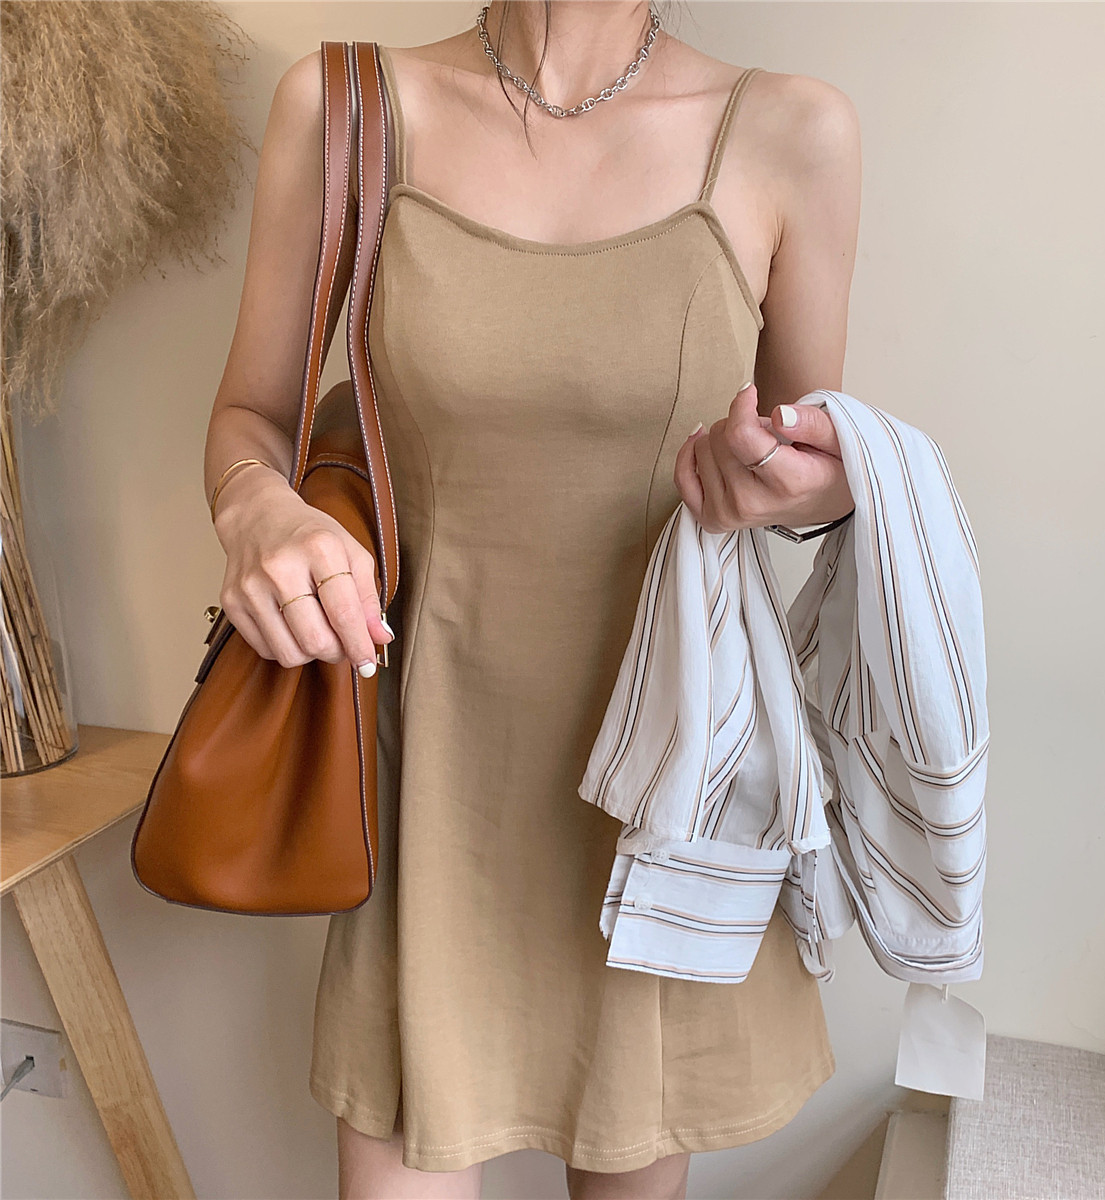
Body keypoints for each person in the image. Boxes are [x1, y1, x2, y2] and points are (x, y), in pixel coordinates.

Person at [203, 2, 859, 1197]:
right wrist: (257, 509)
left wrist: (789, 482)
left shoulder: (790, 131)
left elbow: (812, 469)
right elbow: (254, 416)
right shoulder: (347, 108)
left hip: (656, 785)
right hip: (430, 774)